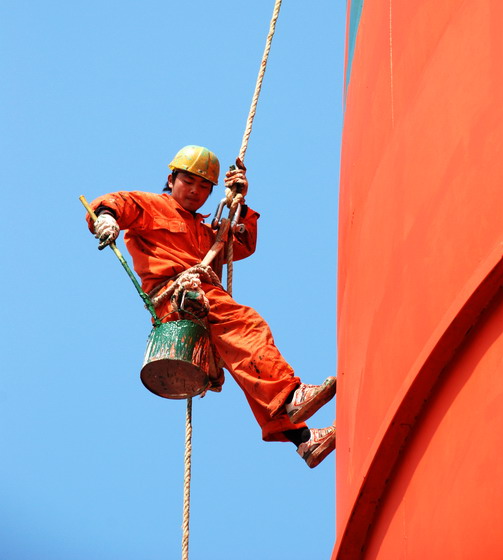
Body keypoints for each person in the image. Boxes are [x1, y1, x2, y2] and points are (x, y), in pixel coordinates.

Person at [86, 145, 335, 468]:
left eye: (204, 186)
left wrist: (239, 201)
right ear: (171, 178)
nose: (195, 191)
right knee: (247, 325)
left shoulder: (204, 230)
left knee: (246, 363)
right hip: (180, 297)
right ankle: (291, 396)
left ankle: (303, 440)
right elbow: (115, 204)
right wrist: (105, 219)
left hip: (198, 297)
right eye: (189, 181)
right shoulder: (152, 206)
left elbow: (240, 246)